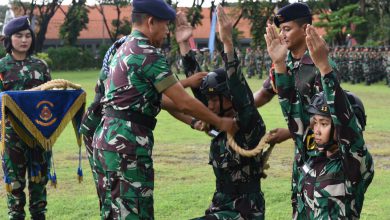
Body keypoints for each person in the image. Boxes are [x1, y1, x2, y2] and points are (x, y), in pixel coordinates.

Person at [91, 0, 236, 219]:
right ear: (151, 22)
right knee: (135, 213)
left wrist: (194, 122)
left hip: (108, 143)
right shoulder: (147, 52)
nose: (167, 31)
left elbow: (158, 100)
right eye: (165, 25)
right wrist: (221, 122)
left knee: (113, 212)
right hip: (127, 146)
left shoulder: (123, 47)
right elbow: (182, 101)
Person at [275, 23, 374, 218]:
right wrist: (279, 65)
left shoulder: (353, 162)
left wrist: (324, 68)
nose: (315, 130)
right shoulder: (311, 157)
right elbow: (292, 112)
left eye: (324, 124)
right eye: (315, 123)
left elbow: (344, 121)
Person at [262, 2, 339, 218]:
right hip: (302, 155)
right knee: (299, 208)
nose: (282, 35)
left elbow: (327, 118)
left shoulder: (320, 65)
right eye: (281, 30)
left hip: (322, 156)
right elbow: (270, 95)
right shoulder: (286, 62)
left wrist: (291, 131)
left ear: (305, 29)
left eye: (287, 29)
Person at [194, 6, 267, 219]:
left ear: (229, 98)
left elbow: (240, 90)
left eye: (215, 99)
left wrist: (228, 44)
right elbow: (197, 97)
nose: (211, 105)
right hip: (220, 203)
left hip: (245, 210)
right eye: (209, 100)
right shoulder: (218, 122)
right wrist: (183, 46)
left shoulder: (248, 123)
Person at [0, 16, 52, 220]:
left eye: (28, 36)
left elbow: (52, 97)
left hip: (39, 135)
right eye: (19, 36)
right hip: (12, 137)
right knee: (14, 186)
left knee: (39, 184)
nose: (24, 40)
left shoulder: (40, 66)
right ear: (9, 39)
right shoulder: (2, 67)